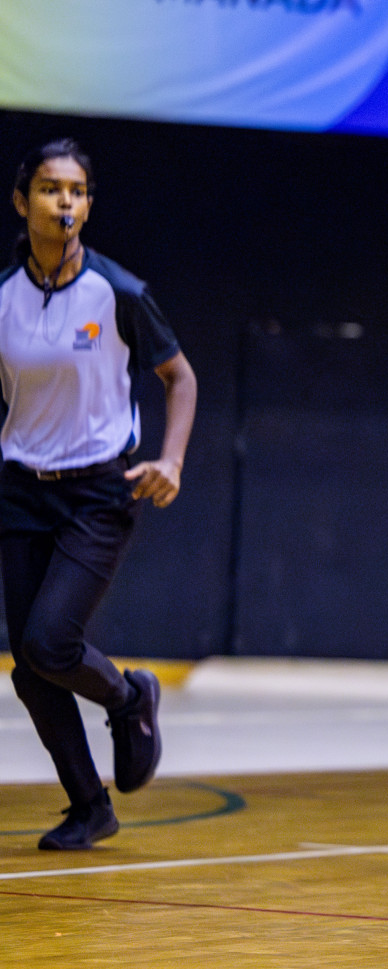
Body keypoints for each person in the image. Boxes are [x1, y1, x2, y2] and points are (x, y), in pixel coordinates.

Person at [2, 139, 197, 850]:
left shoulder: (119, 292)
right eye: (51, 189)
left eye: (78, 191)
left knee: (51, 640)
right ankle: (90, 806)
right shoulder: (3, 299)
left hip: (96, 492)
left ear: (88, 205)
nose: (65, 203)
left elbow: (182, 378)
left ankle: (127, 697)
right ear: (23, 202)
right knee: (31, 671)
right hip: (21, 490)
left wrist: (170, 461)